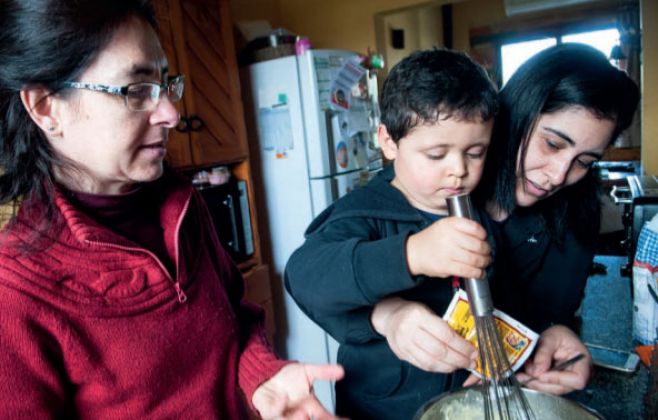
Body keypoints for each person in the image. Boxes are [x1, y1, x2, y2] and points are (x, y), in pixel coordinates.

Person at [0, 1, 344, 418]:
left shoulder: (182, 207)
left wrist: (262, 378)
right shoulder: (14, 293)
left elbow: (237, 315)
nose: (171, 113)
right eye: (137, 90)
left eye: (165, 84)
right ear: (46, 107)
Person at [285, 48, 499, 419]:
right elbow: (304, 274)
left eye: (475, 152)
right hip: (379, 408)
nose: (459, 170)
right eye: (436, 155)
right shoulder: (364, 209)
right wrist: (411, 254)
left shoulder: (479, 213)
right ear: (388, 142)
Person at [469, 43, 640, 394]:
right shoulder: (444, 173)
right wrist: (393, 316)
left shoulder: (578, 213)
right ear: (517, 112)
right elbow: (327, 270)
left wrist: (560, 334)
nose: (560, 176)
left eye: (584, 161)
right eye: (553, 144)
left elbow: (555, 314)